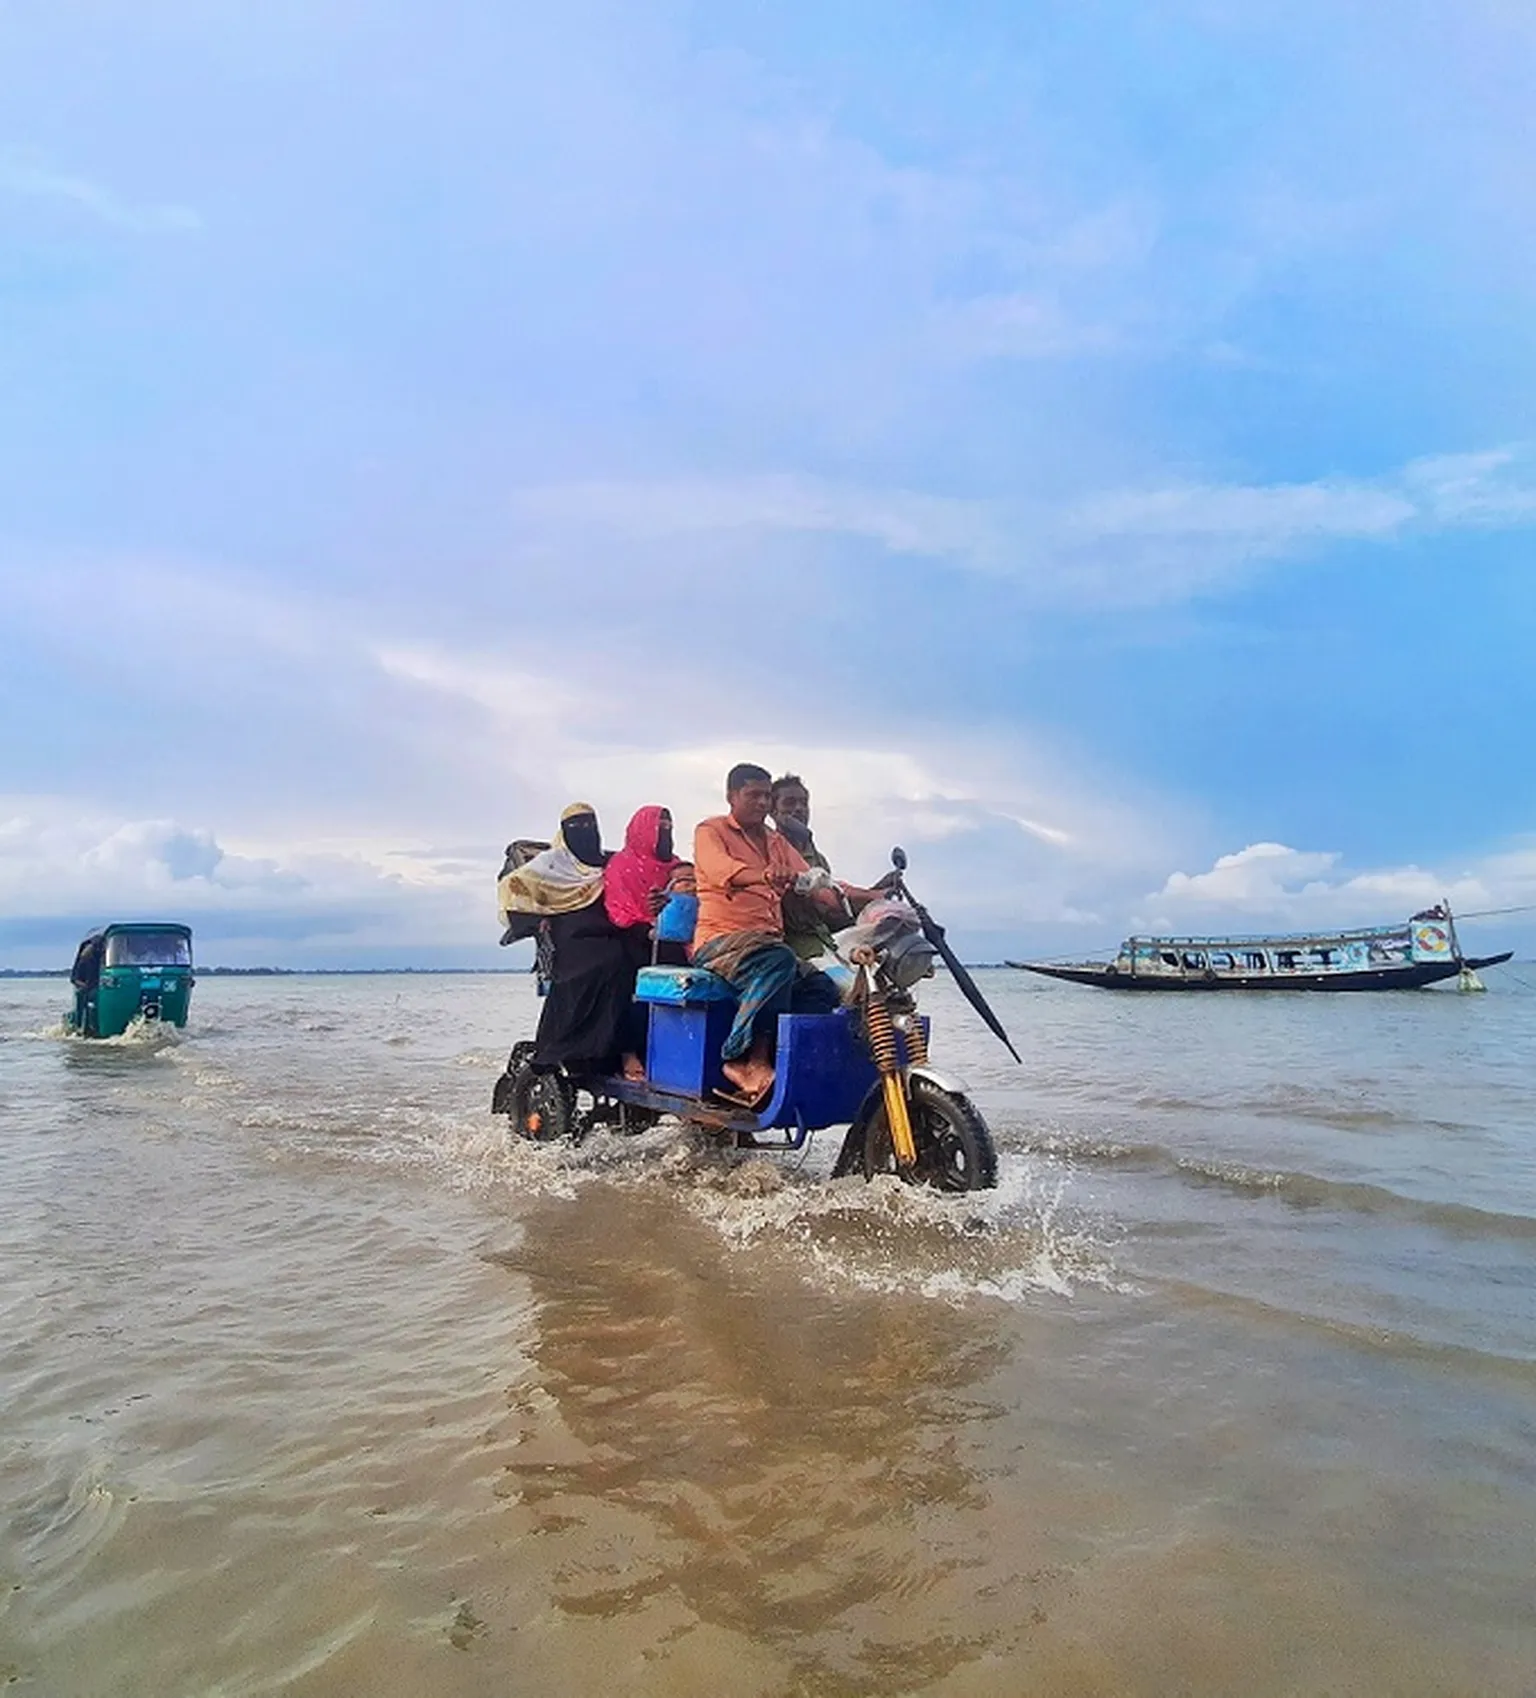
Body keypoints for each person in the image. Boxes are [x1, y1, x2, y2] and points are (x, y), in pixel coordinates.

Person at [692, 763, 843, 1104]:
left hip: (764, 944)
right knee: (779, 960)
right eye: (753, 795)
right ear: (732, 797)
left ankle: (782, 1062)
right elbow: (721, 870)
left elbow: (814, 878)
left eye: (766, 796)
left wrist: (846, 897)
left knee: (822, 987)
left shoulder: (776, 842)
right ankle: (741, 1060)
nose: (762, 803)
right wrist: (765, 876)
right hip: (719, 943)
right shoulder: (711, 831)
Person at [497, 803, 633, 1075]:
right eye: (576, 825)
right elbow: (512, 889)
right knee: (610, 963)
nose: (584, 830)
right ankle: (580, 1052)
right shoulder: (550, 864)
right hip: (570, 937)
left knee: (635, 957)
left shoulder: (611, 862)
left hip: (613, 929)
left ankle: (624, 1048)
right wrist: (538, 921)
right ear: (564, 830)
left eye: (589, 824)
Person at [769, 773, 885, 961]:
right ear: (773, 811)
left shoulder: (817, 857)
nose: (798, 809)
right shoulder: (769, 849)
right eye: (789, 803)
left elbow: (832, 897)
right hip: (792, 939)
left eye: (803, 803)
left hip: (824, 936)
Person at [603, 804, 681, 1078]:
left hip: (673, 936)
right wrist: (647, 921)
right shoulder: (621, 866)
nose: (666, 833)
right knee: (631, 977)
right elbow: (618, 910)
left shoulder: (676, 866)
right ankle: (628, 1052)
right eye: (660, 827)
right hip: (632, 934)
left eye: (670, 827)